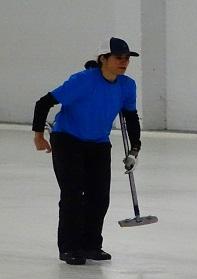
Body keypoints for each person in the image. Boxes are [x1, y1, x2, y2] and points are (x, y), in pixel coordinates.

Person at [32, 37, 142, 265]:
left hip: (99, 143)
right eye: (118, 58)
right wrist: (39, 135)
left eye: (126, 59)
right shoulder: (82, 81)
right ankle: (70, 247)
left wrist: (135, 148)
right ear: (103, 59)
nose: (124, 63)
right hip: (68, 140)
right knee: (73, 195)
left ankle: (91, 244)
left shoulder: (127, 85)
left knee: (99, 197)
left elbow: (130, 117)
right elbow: (43, 102)